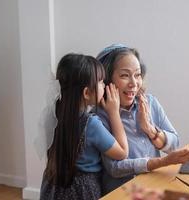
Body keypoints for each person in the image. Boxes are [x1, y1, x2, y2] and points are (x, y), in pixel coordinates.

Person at [96, 44, 189, 194]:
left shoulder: (150, 102)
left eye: (138, 74)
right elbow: (114, 167)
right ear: (107, 80)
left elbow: (174, 145)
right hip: (122, 193)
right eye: (124, 75)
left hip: (155, 187)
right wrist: (162, 162)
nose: (134, 83)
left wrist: (149, 129)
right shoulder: (100, 117)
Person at [39, 53, 129, 200]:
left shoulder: (52, 115)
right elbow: (122, 152)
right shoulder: (91, 124)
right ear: (87, 92)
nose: (105, 85)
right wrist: (114, 113)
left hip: (53, 187)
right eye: (100, 82)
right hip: (82, 190)